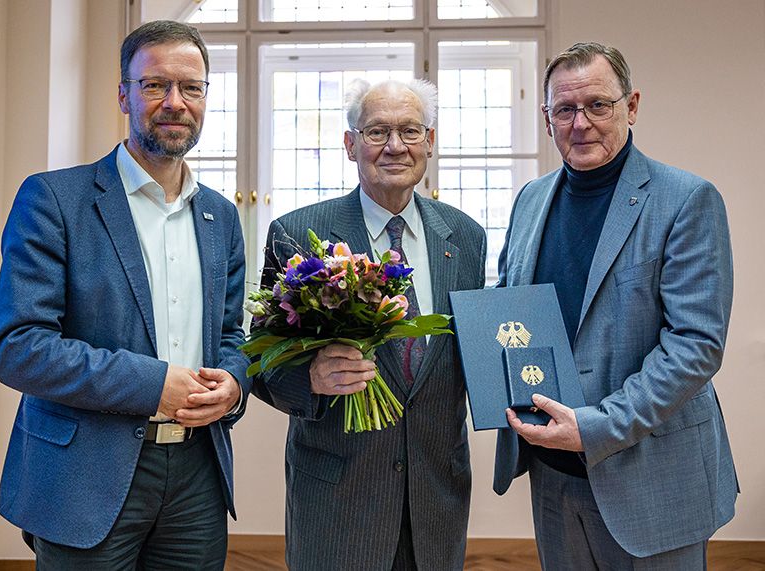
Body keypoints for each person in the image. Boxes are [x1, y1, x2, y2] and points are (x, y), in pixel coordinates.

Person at [0, 20, 250, 569]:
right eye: (155, 85)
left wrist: (233, 384)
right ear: (124, 95)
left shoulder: (221, 216)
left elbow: (230, 335)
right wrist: (155, 384)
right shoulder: (54, 198)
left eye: (192, 88)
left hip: (198, 477)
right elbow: (19, 347)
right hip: (85, 476)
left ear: (206, 97)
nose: (175, 102)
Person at [493, 42, 737, 569]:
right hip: (552, 476)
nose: (580, 123)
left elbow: (695, 346)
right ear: (547, 117)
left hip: (652, 479)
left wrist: (596, 427)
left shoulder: (686, 199)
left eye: (598, 105)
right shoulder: (530, 199)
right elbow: (508, 309)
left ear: (631, 106)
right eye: (565, 109)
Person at [254, 78, 486, 570]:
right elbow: (259, 357)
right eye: (378, 131)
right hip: (339, 497)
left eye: (410, 131)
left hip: (436, 495)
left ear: (431, 141)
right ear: (350, 144)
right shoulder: (298, 235)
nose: (395, 146)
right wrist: (310, 379)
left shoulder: (466, 237)